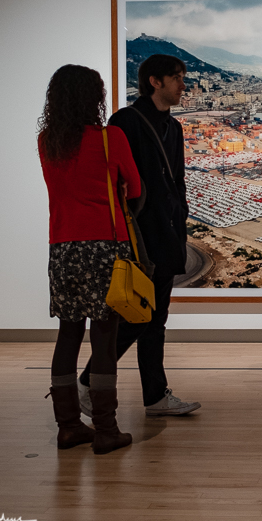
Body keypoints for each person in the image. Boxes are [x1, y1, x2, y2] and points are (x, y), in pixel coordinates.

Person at [78, 55, 200, 416]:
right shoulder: (125, 123)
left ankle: (155, 397)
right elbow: (116, 183)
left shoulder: (173, 128)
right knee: (139, 316)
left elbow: (175, 181)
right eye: (177, 78)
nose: (183, 85)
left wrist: (181, 216)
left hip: (167, 231)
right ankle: (88, 381)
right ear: (154, 81)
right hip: (139, 237)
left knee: (154, 319)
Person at [38, 64, 138, 454]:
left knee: (68, 334)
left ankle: (67, 427)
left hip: (63, 246)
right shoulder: (111, 138)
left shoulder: (48, 140)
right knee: (104, 338)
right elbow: (136, 187)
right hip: (105, 246)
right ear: (93, 98)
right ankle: (106, 429)